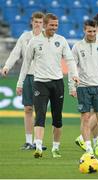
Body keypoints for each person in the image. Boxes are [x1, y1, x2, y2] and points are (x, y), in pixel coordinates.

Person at [16, 13, 79, 158]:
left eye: (56, 25)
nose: (54, 28)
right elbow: (25, 65)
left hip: (57, 83)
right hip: (40, 83)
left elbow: (69, 60)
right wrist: (20, 83)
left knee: (57, 118)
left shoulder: (61, 40)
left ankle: (55, 148)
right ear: (44, 25)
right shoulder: (34, 41)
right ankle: (38, 147)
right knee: (40, 115)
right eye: (52, 25)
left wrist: (74, 74)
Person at [2, 11, 47, 150]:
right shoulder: (25, 37)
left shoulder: (47, 38)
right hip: (27, 76)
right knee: (28, 108)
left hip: (42, 77)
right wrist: (7, 66)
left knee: (40, 110)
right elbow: (15, 53)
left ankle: (38, 141)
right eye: (36, 22)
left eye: (40, 22)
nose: (38, 24)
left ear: (43, 23)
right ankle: (28, 141)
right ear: (31, 22)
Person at [69, 19, 98, 156]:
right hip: (83, 86)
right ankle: (89, 148)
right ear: (84, 30)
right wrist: (72, 86)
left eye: (94, 31)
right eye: (89, 31)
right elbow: (72, 68)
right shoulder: (77, 46)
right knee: (85, 118)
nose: (92, 34)